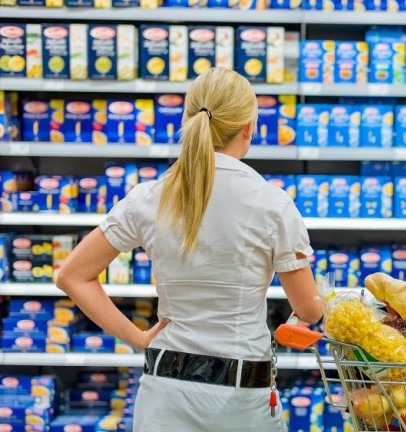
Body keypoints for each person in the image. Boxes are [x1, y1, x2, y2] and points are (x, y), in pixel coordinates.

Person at [57, 67, 324, 431]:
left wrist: (137, 337)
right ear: (248, 128)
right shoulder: (272, 204)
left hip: (164, 392)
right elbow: (307, 309)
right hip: (240, 398)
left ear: (188, 119)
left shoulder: (148, 197)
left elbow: (72, 275)